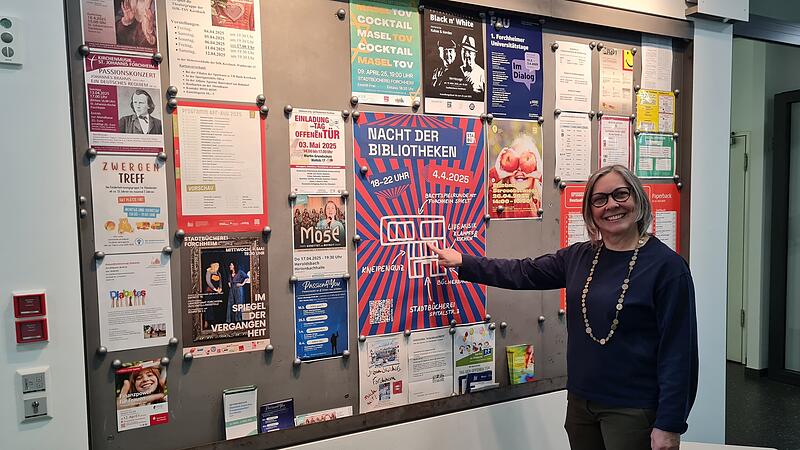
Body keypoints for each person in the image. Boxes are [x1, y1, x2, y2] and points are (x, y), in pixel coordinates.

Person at [428, 165, 698, 450]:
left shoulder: (667, 268)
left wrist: (669, 424)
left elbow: (679, 352)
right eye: (600, 200)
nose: (612, 206)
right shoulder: (580, 256)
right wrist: (464, 262)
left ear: (638, 200)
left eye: (621, 194)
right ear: (591, 211)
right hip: (582, 404)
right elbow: (524, 272)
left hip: (633, 410)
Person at [488, 134, 543, 217]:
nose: (520, 169)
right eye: (516, 161)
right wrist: (495, 174)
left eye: (526, 160)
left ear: (536, 166)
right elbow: (472, 195)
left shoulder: (543, 200)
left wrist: (541, 175)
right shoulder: (496, 198)